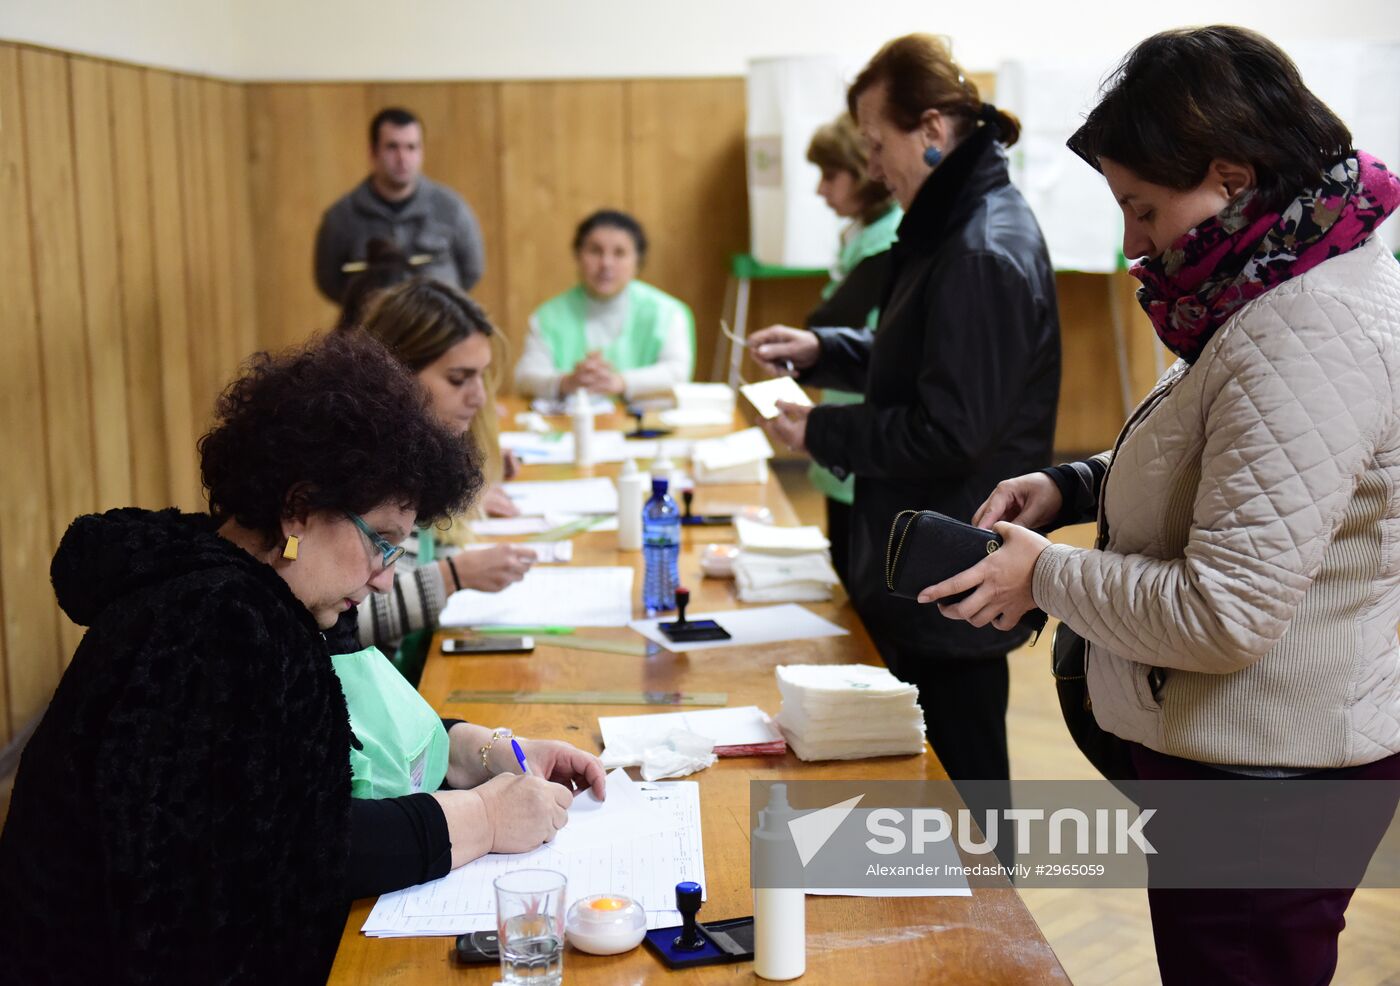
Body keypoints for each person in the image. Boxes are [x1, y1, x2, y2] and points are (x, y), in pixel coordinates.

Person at [922, 26, 1400, 985]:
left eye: (1142, 209)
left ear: (1229, 176)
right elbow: (1222, 460)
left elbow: (1226, 612)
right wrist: (1076, 485)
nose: (1133, 242)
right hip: (1254, 769)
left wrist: (1045, 573)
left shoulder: (1306, 329)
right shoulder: (1283, 281)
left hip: (1270, 784)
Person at [0, 333, 604, 984]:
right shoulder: (211, 627)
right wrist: (483, 819)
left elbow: (341, 746)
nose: (382, 579)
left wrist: (487, 752)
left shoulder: (265, 587)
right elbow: (277, 857)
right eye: (383, 543)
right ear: (298, 509)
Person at [748, 35, 1061, 846]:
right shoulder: (951, 222)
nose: (873, 166)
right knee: (931, 800)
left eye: (875, 144)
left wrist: (820, 428)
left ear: (930, 128)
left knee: (966, 801)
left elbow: (948, 429)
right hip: (929, 555)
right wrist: (829, 351)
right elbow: (923, 360)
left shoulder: (981, 245)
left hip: (950, 565)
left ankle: (994, 961)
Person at [340, 278, 537, 663]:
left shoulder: (415, 456)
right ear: (395, 374)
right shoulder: (360, 474)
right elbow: (339, 624)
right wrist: (453, 577)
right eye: (458, 379)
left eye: (481, 376)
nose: (479, 397)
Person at [800, 112, 903, 584]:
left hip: (864, 441)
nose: (821, 190)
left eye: (829, 175)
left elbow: (827, 325)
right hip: (848, 433)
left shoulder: (887, 241)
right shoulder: (862, 234)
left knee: (859, 580)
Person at [514, 209, 694, 400]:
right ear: (578, 256)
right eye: (595, 251)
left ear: (637, 261)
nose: (606, 263)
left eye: (619, 253)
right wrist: (567, 382)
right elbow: (525, 377)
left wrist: (620, 382)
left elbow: (678, 371)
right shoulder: (548, 315)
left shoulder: (667, 312)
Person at [314, 106, 486, 304]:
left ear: (422, 152)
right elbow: (328, 280)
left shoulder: (452, 209)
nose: (402, 158)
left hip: (436, 326)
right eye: (392, 147)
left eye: (411, 147)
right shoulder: (342, 217)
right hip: (371, 329)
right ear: (373, 152)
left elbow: (472, 270)